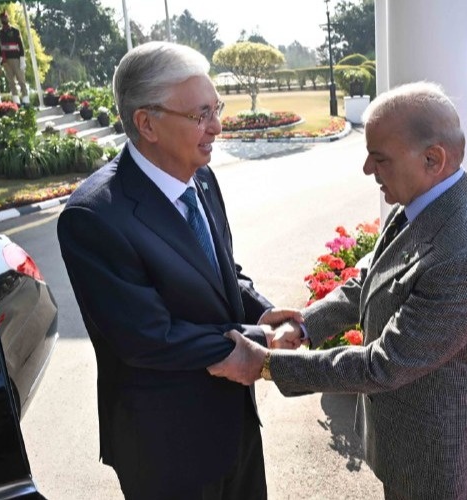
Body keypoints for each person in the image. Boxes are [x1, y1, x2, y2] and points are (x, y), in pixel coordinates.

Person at [209, 81, 467, 500]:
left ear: (432, 159)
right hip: (403, 437)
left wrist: (266, 365)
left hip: (433, 459)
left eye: (380, 158)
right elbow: (367, 283)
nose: (368, 169)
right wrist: (305, 325)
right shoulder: (424, 204)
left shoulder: (464, 258)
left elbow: (383, 365)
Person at [57, 41, 297, 500]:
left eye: (216, 108)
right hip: (167, 450)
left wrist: (261, 310)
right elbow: (149, 336)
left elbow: (222, 270)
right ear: (147, 123)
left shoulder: (201, 176)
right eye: (200, 115)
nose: (217, 126)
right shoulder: (95, 217)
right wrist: (261, 340)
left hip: (236, 427)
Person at [0, 10, 29, 105]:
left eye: (5, 17)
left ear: (8, 18)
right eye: (2, 18)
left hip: (16, 58)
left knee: (21, 80)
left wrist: (22, 59)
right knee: (11, 82)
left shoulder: (15, 30)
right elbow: (0, 47)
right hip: (5, 60)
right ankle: (16, 102)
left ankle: (26, 100)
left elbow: (20, 45)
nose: (4, 19)